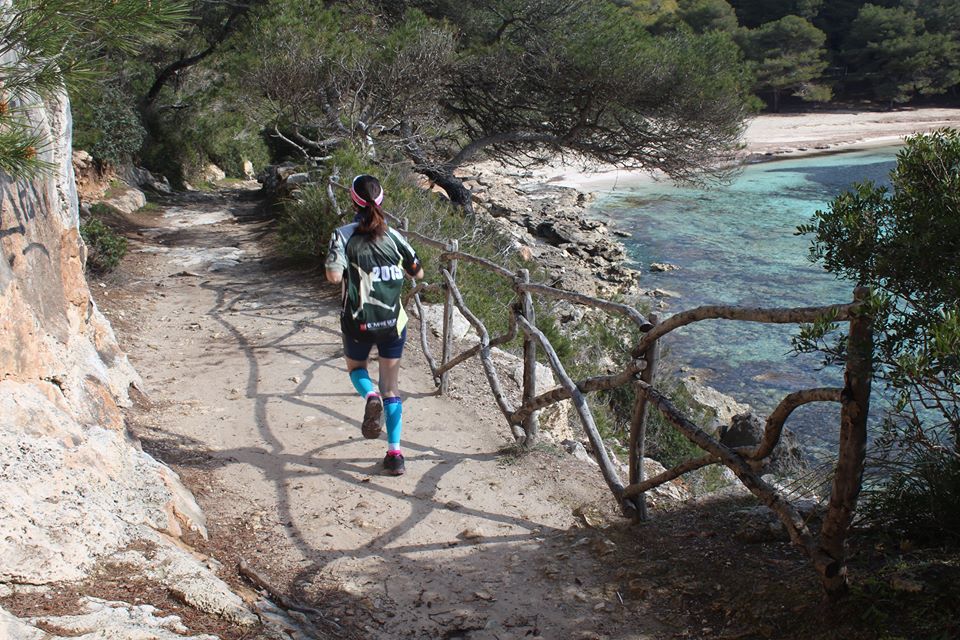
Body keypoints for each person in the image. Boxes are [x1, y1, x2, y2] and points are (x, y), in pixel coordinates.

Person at [325, 174, 424, 476]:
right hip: (393, 322)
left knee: (357, 370)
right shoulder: (394, 236)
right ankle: (395, 454)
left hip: (358, 321)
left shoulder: (342, 235)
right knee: (392, 388)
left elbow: (333, 277)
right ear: (382, 200)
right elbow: (417, 273)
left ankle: (369, 397)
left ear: (352, 200)